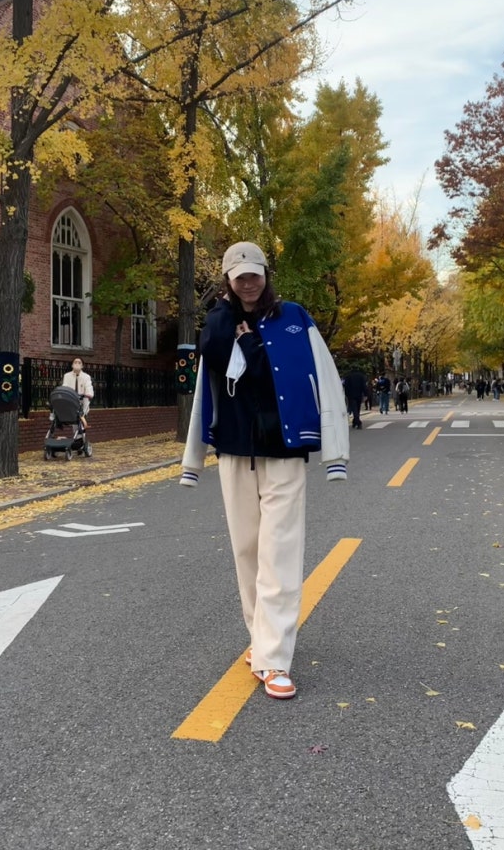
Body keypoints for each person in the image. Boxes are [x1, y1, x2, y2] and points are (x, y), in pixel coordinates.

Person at [180, 242, 349, 700]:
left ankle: (274, 659)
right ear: (228, 280)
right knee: (247, 551)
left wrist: (335, 451)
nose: (249, 283)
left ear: (266, 274)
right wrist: (225, 314)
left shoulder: (293, 318)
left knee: (280, 553)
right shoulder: (220, 320)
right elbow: (209, 366)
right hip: (235, 451)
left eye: (255, 274)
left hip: (284, 451)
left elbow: (322, 376)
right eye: (240, 277)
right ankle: (261, 638)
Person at [62, 357, 94, 427]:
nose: (77, 364)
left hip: (82, 403)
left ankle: (81, 432)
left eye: (79, 362)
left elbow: (89, 387)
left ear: (82, 366)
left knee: (81, 425)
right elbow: (65, 387)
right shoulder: (67, 376)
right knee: (75, 425)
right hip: (71, 402)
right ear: (72, 365)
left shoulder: (86, 377)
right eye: (75, 362)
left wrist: (88, 394)